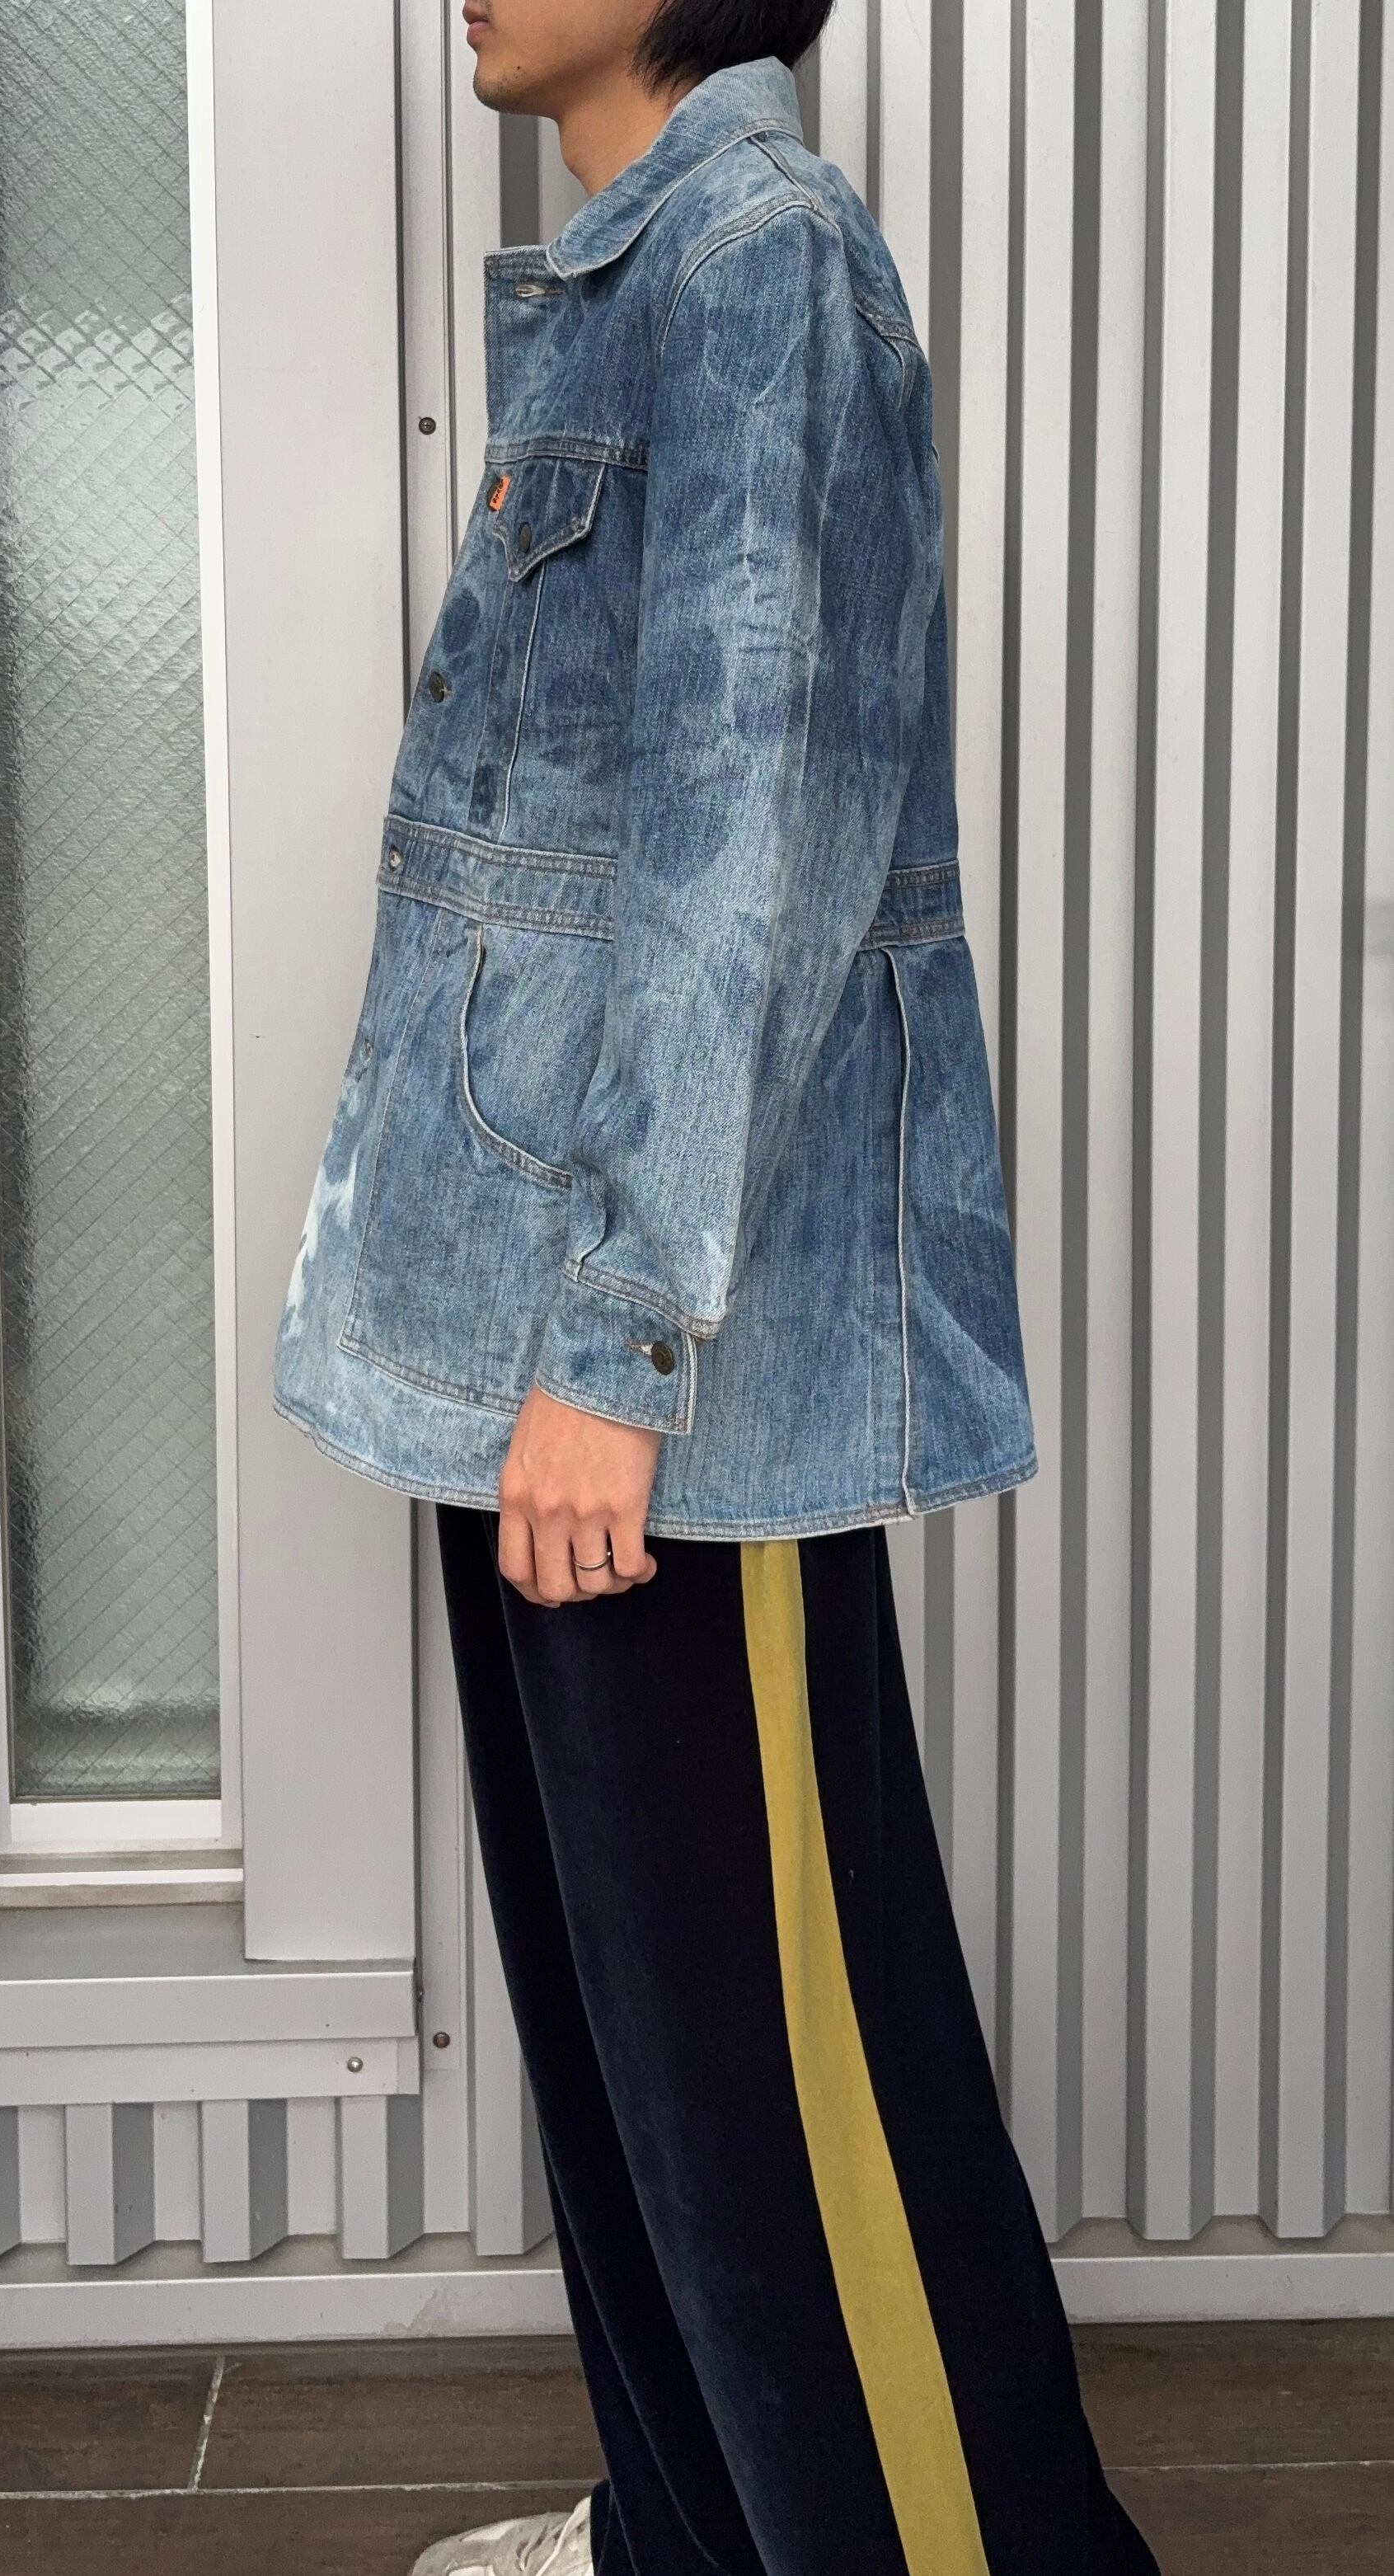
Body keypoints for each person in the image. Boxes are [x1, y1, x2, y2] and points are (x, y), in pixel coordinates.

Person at [274, 3, 1162, 2571]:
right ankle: (682, 2533)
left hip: (648, 1374)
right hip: (525, 1327)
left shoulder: (761, 262)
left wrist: (623, 1342)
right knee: (635, 2052)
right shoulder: (642, 271)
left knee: (783, 2096)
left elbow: (745, 846)